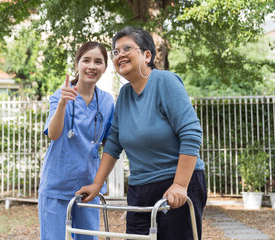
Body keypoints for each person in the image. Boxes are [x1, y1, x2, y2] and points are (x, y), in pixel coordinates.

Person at [76, 27, 207, 240]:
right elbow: (114, 143)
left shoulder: (165, 82)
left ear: (147, 55)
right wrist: (97, 184)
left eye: (127, 48)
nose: (120, 55)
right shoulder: (125, 94)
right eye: (116, 52)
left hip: (176, 182)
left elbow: (191, 132)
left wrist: (180, 185)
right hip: (140, 188)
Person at [38, 41, 115, 240]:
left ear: (105, 68)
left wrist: (99, 182)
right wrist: (63, 104)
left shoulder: (107, 102)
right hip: (57, 185)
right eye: (86, 60)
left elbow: (110, 145)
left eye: (98, 62)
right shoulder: (60, 96)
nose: (92, 66)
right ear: (77, 64)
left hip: (88, 189)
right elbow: (53, 134)